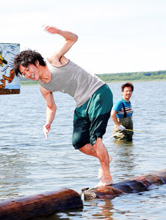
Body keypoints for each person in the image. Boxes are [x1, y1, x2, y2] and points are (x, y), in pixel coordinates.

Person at [13, 25, 114, 187]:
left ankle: (107, 178)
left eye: (27, 69)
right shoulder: (43, 88)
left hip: (98, 92)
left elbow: (73, 38)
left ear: (36, 62)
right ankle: (105, 158)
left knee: (96, 138)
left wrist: (59, 32)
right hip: (82, 103)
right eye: (24, 74)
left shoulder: (55, 60)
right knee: (79, 142)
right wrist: (48, 123)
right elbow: (51, 107)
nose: (28, 75)